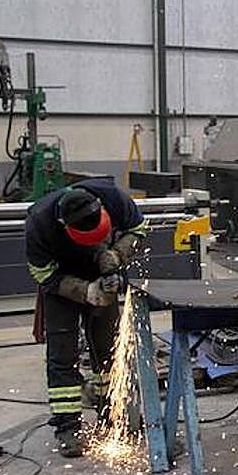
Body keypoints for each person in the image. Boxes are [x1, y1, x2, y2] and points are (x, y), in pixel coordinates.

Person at [25, 180, 148, 456]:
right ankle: (68, 427)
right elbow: (43, 273)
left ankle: (115, 416)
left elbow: (139, 229)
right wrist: (85, 292)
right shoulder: (40, 223)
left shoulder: (113, 197)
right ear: (64, 225)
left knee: (109, 350)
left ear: (101, 208)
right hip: (62, 285)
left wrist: (116, 254)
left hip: (103, 274)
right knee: (62, 355)